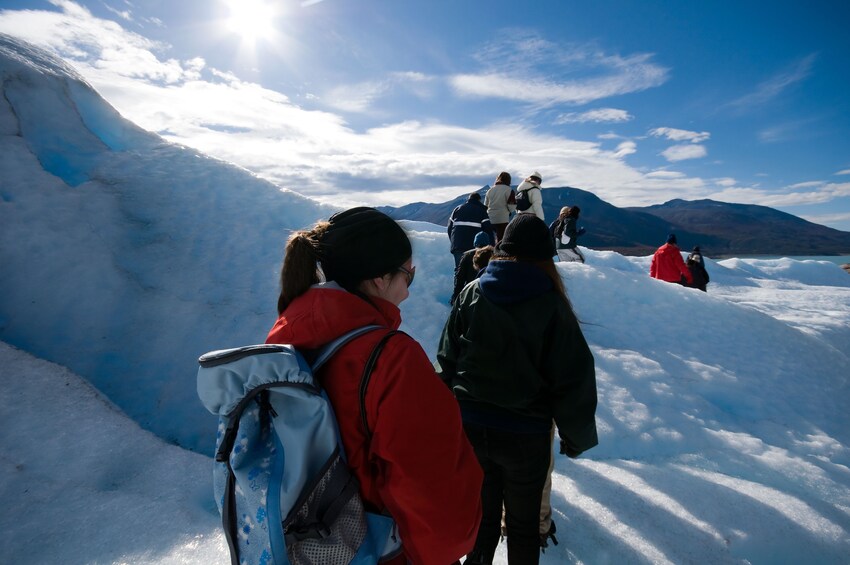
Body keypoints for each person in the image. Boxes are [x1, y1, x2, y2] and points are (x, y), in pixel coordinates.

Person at [266, 207, 483, 565]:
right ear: (380, 279)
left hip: (304, 545)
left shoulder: (287, 335)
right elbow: (435, 494)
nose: (408, 292)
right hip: (378, 551)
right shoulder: (392, 359)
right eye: (407, 277)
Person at [436, 214, 599, 565]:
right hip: (526, 434)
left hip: (472, 427)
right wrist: (576, 438)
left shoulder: (472, 291)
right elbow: (573, 378)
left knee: (483, 519)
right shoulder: (552, 304)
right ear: (544, 257)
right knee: (524, 528)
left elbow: (447, 358)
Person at [448, 192, 494, 268]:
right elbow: (488, 230)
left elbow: (450, 227)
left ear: (469, 199)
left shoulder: (457, 209)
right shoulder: (481, 211)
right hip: (473, 247)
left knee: (459, 270)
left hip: (457, 245)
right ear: (479, 200)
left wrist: (453, 241)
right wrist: (491, 247)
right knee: (472, 271)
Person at [452, 231, 493, 304]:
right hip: (489, 294)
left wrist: (456, 297)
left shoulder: (467, 255)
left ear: (475, 243)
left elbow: (460, 278)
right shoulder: (494, 255)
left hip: (471, 292)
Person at [485, 172, 516, 244]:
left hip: (490, 218)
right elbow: (511, 208)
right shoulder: (509, 190)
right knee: (501, 241)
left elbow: (485, 206)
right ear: (509, 180)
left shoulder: (490, 191)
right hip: (502, 219)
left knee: (491, 240)